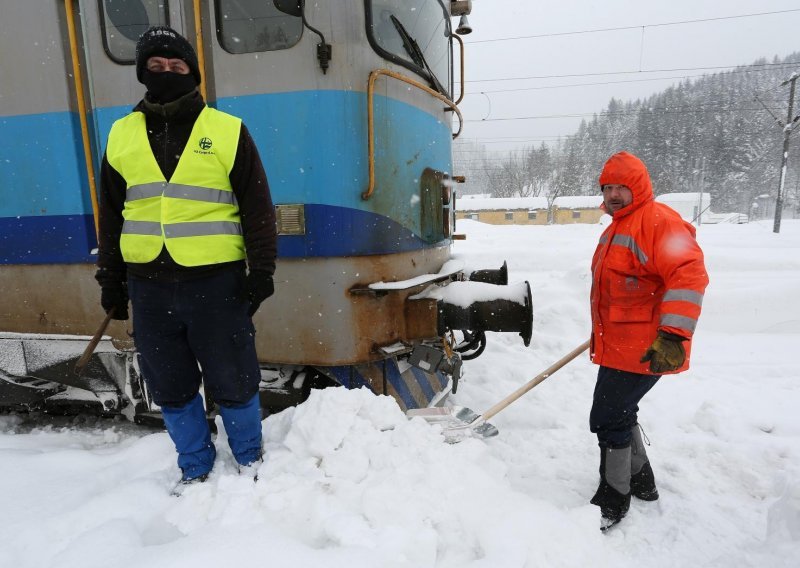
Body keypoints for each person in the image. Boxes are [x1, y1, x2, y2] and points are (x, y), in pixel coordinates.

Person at [94, 26, 277, 486]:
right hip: (149, 287)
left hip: (217, 284)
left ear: (193, 72)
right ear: (143, 74)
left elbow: (257, 208)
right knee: (170, 384)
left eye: (176, 66)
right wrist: (110, 281)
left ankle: (249, 459)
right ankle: (195, 465)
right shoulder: (121, 135)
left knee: (234, 377)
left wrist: (263, 270)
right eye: (156, 66)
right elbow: (112, 215)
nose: (167, 72)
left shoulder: (227, 130)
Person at [588, 151, 708, 530]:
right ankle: (642, 483)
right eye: (607, 188)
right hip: (619, 344)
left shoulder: (657, 221)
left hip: (647, 346)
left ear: (637, 185)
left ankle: (613, 497)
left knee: (608, 416)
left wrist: (673, 334)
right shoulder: (616, 228)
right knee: (620, 413)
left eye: (621, 186)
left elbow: (688, 276)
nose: (613, 195)